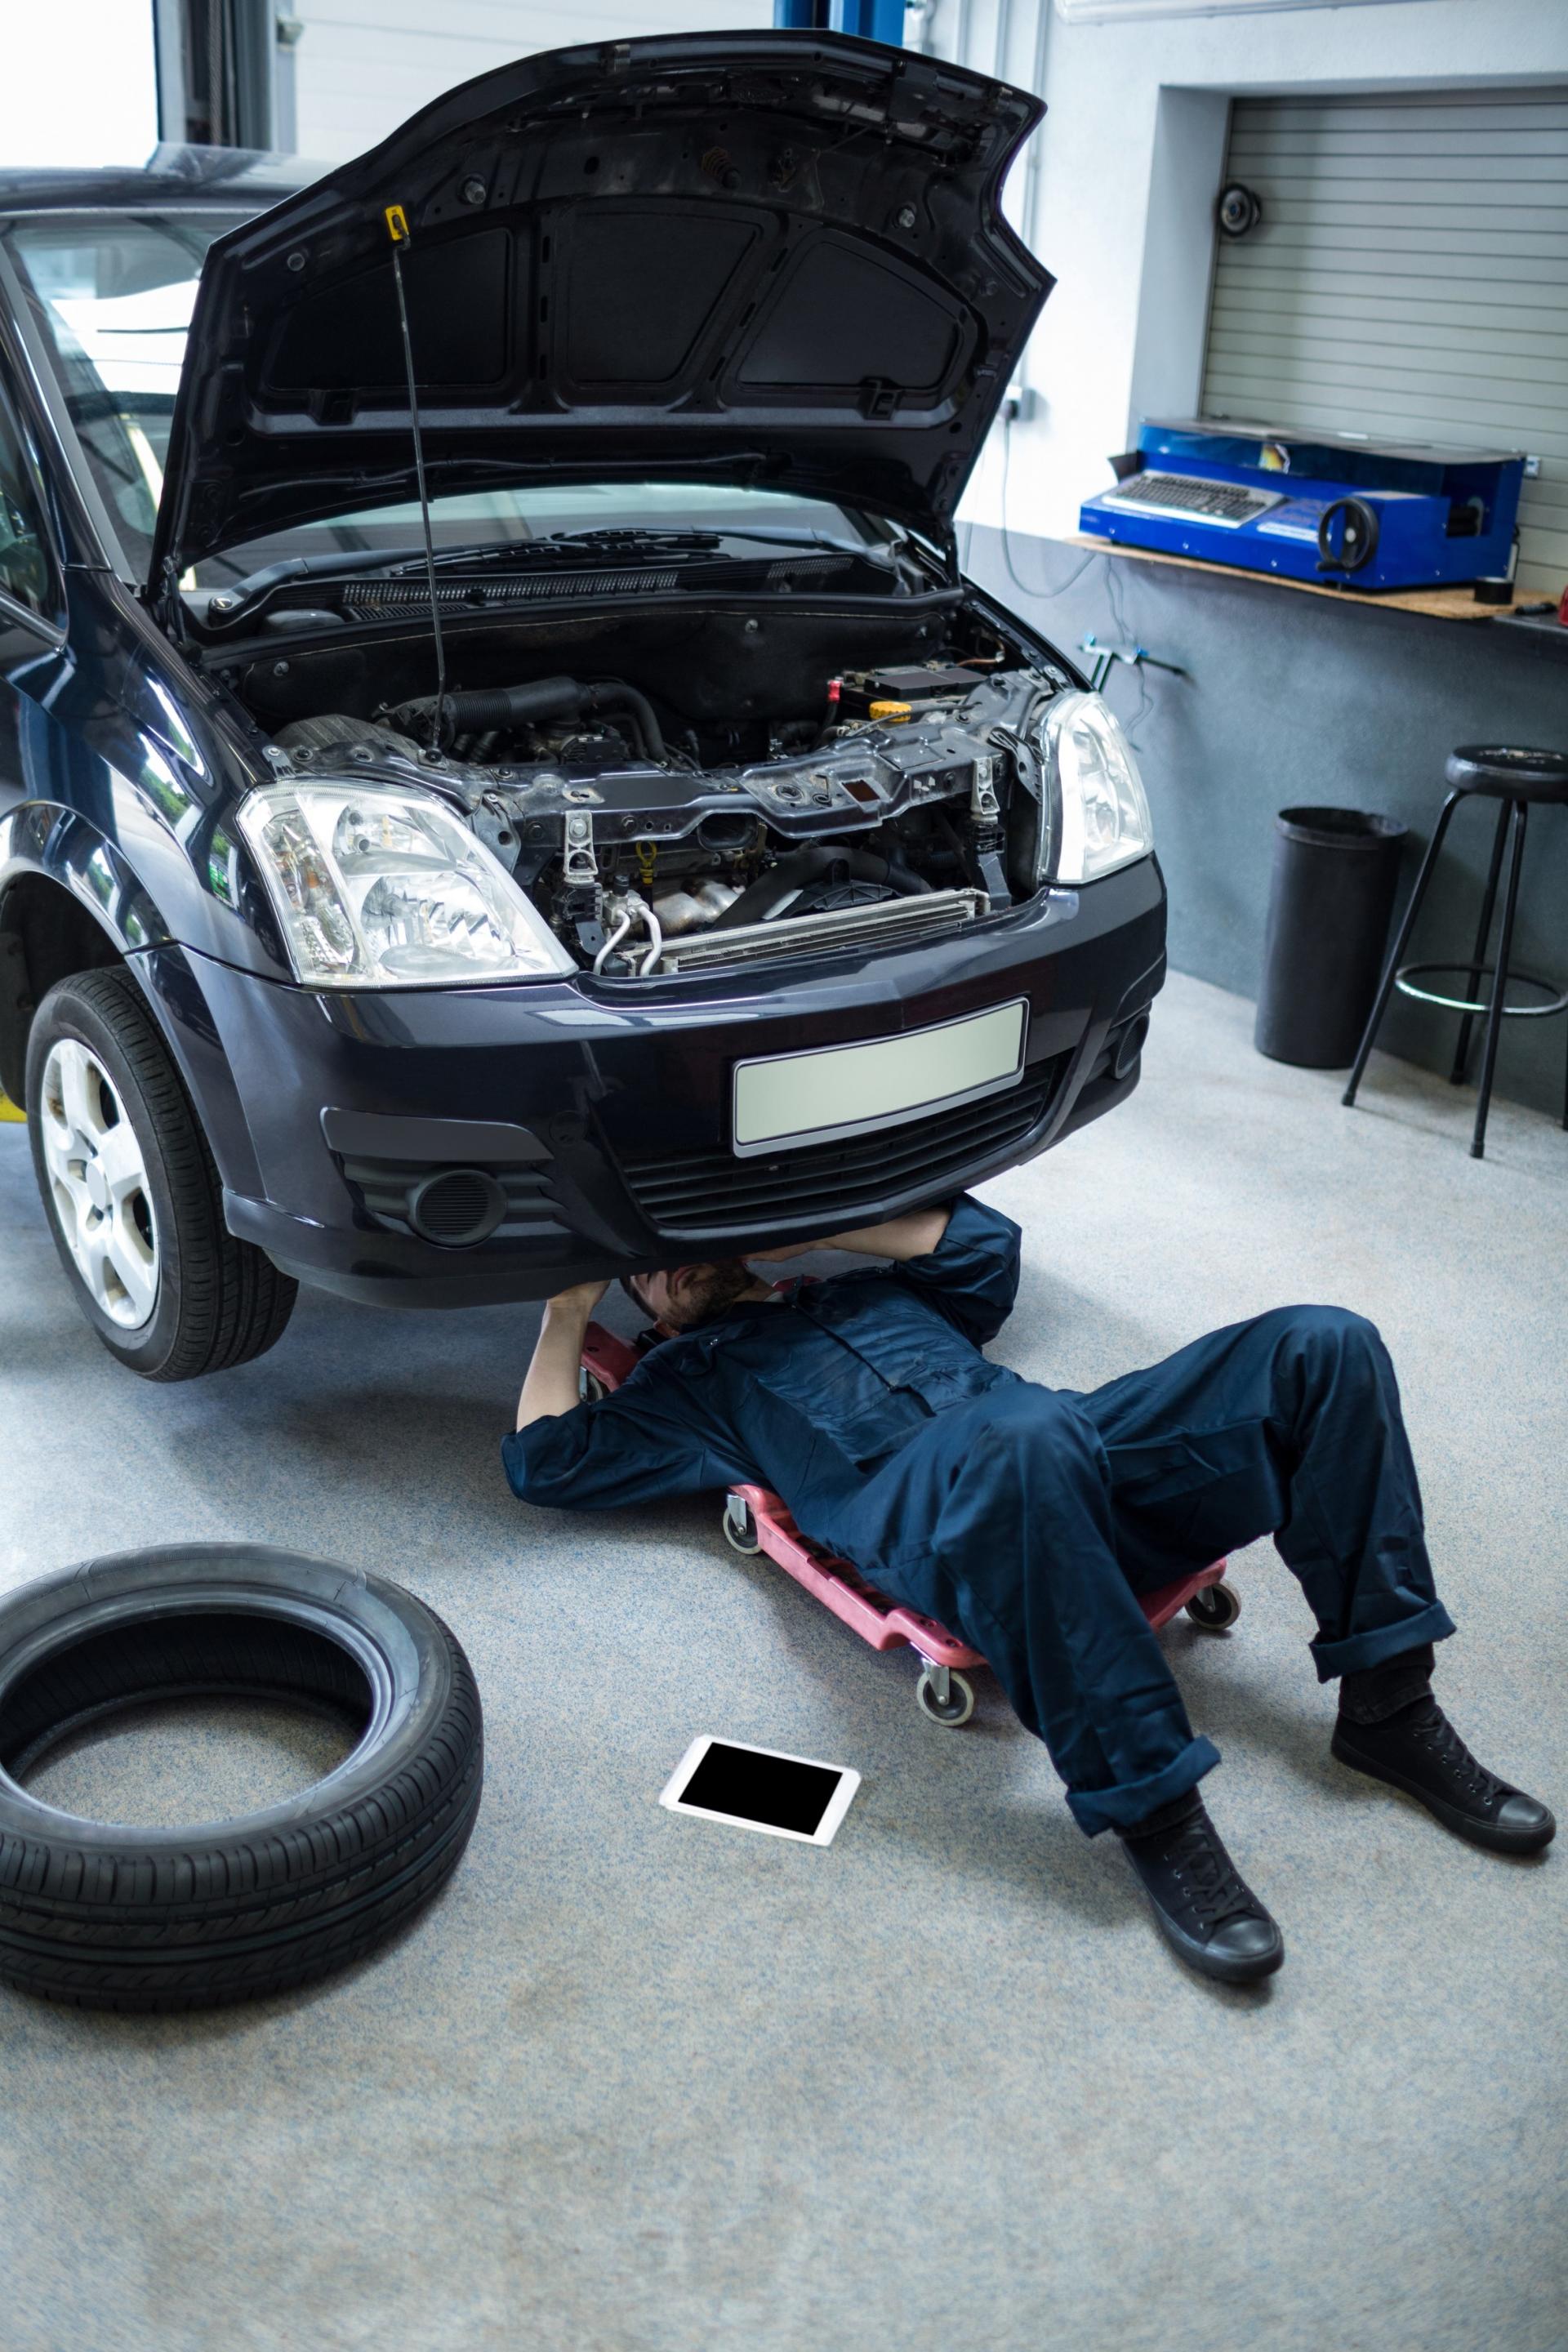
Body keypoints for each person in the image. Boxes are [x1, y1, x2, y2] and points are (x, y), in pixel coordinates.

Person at [502, 1194, 1553, 1983]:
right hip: (952, 1524)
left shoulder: (868, 1288)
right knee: (1019, 1433)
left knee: (1325, 1343)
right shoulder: (686, 1387)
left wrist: (813, 1226)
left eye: (686, 1238)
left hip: (1087, 1456)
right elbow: (541, 1465)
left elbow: (982, 1246)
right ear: (640, 1306)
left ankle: (1391, 1706)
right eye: (651, 1267)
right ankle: (1158, 1815)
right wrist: (566, 1305)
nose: (676, 1265)